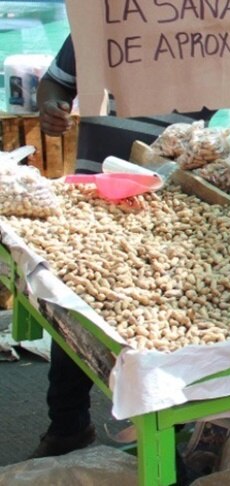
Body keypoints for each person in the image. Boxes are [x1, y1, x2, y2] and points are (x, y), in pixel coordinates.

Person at [31, 35, 216, 458]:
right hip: (94, 200)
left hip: (170, 207)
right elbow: (56, 83)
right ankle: (67, 426)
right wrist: (51, 108)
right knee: (74, 313)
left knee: (160, 321)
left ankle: (163, 443)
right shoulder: (98, 20)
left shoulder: (215, 31)